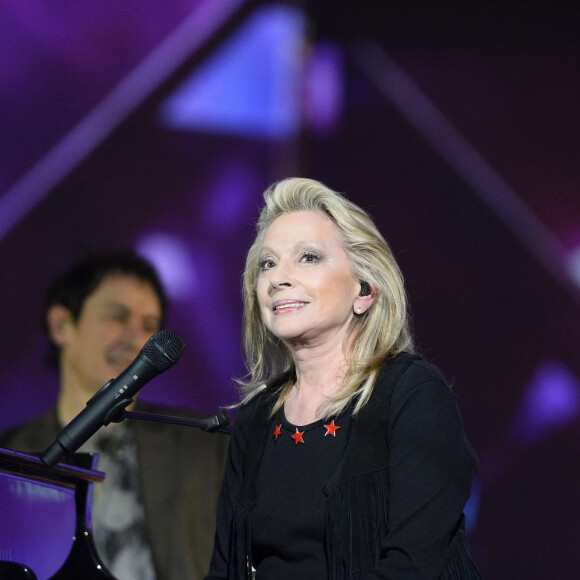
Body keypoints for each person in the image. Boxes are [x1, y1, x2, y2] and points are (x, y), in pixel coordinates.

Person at [205, 177, 482, 579]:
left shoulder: (412, 395)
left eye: (309, 258)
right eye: (268, 263)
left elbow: (411, 566)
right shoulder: (256, 419)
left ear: (364, 290)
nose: (279, 277)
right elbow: (224, 570)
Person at [0, 250, 229, 580]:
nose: (135, 337)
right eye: (117, 316)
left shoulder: (203, 443)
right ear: (61, 324)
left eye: (149, 325)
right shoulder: (11, 455)